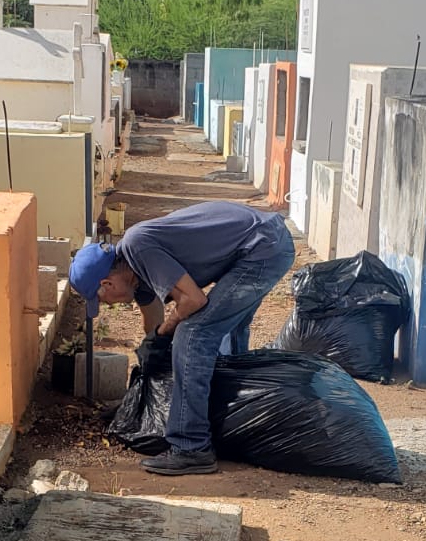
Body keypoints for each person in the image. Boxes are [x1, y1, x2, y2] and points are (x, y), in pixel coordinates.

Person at [69, 200, 295, 475]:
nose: (107, 305)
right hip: (265, 241)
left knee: (193, 335)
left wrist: (166, 332)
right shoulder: (134, 270)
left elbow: (193, 300)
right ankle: (230, 416)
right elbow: (154, 323)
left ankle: (191, 446)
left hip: (262, 247)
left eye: (102, 300)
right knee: (226, 328)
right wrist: (146, 381)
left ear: (107, 283)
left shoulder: (139, 246)